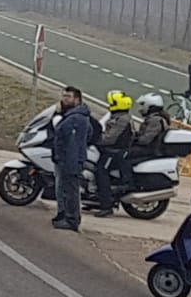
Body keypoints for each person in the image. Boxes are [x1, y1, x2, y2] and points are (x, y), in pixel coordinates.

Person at [51, 86, 94, 232]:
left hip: (71, 161)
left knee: (71, 190)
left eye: (68, 97)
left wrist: (70, 163)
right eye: (63, 96)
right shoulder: (70, 115)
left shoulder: (77, 118)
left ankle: (71, 219)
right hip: (65, 159)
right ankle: (65, 215)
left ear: (77, 99)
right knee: (64, 189)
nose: (64, 99)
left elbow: (73, 143)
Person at [93, 91, 136, 216]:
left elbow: (110, 138)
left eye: (112, 102)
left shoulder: (122, 119)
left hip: (116, 151)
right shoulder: (118, 116)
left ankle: (106, 206)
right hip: (112, 150)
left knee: (101, 171)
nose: (109, 104)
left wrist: (96, 139)